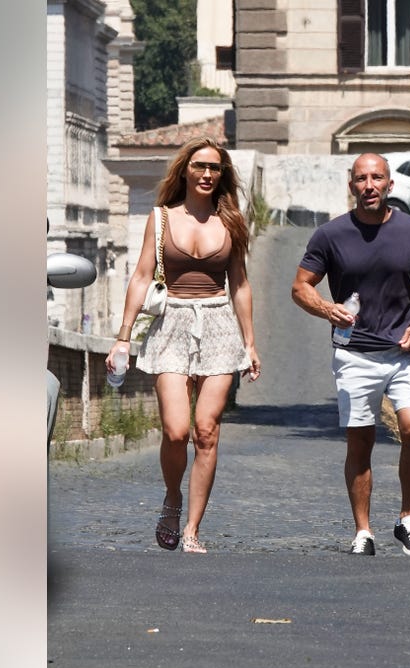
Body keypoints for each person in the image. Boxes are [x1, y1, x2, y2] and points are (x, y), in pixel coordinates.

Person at [291, 153, 410, 557]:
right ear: (352, 186)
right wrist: (328, 309)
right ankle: (363, 531)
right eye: (361, 179)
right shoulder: (330, 236)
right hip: (355, 355)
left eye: (376, 178)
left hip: (404, 351)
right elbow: (300, 287)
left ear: (389, 185)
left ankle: (407, 519)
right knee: (360, 442)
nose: (369, 185)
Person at [107, 137, 261, 554]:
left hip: (218, 325)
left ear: (221, 174)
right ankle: (172, 498)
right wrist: (123, 337)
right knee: (177, 431)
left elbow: (240, 284)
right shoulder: (159, 219)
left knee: (206, 431)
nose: (208, 174)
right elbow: (141, 276)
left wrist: (250, 343)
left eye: (215, 168)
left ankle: (192, 528)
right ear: (185, 170)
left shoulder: (230, 220)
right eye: (200, 166)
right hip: (171, 322)